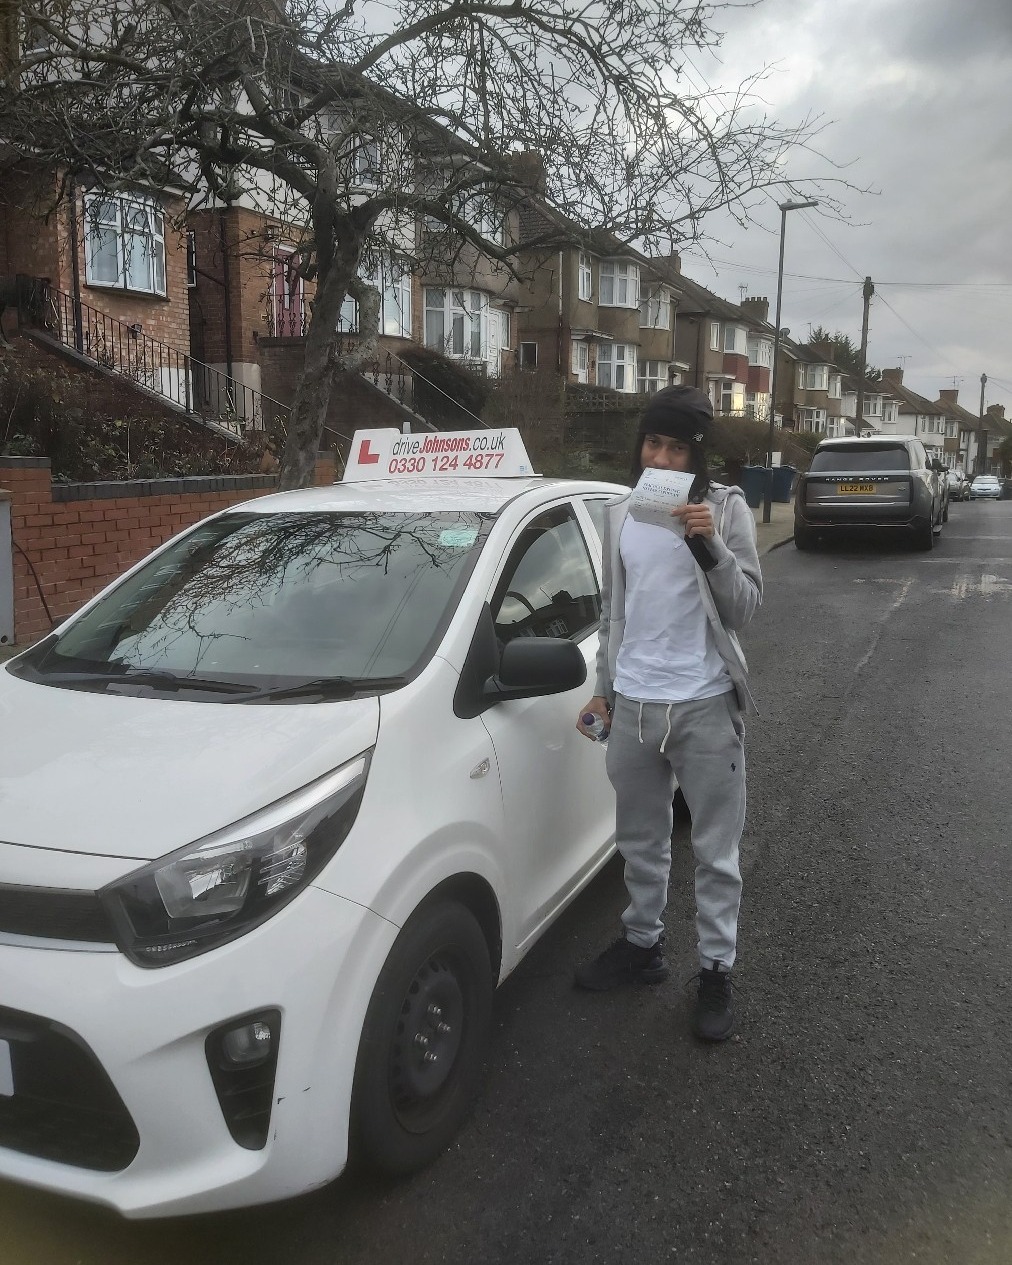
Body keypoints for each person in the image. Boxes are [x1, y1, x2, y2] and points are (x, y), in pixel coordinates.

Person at [573, 385, 762, 1042]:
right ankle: (643, 945)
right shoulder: (620, 512)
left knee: (714, 850)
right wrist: (605, 686)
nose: (661, 455)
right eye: (653, 442)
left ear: (696, 458)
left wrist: (710, 546)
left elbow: (744, 610)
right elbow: (613, 613)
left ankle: (715, 970)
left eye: (676, 446)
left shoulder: (725, 509)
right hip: (635, 704)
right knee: (641, 840)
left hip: (705, 702)